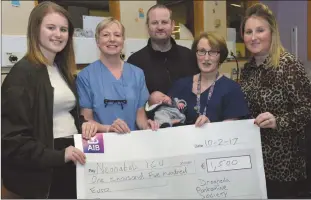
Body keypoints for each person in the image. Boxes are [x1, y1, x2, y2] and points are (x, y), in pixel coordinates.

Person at [1, 1, 97, 199]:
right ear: (36, 29)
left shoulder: (62, 70)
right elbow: (12, 141)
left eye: (63, 29)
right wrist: (59, 155)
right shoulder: (22, 74)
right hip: (44, 170)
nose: (58, 34)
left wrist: (84, 125)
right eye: (51, 27)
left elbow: (62, 113)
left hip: (70, 157)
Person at [239, 3, 311, 198]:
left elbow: (307, 109)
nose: (253, 37)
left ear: (272, 32)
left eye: (260, 30)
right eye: (248, 32)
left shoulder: (288, 65)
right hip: (256, 160)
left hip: (285, 165)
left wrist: (278, 121)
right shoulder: (248, 70)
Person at [76, 17, 158, 134]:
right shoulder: (86, 76)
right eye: (106, 35)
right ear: (97, 41)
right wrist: (109, 128)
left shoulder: (137, 73)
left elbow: (140, 115)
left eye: (117, 35)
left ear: (123, 41)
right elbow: (87, 120)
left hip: (133, 141)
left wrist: (147, 126)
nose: (112, 39)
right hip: (103, 143)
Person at [168, 32, 249, 127]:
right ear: (195, 54)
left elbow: (231, 131)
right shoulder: (180, 85)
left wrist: (210, 127)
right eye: (202, 51)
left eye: (213, 52)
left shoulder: (232, 89)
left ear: (221, 56)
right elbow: (164, 114)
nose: (206, 58)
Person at [127, 4, 199, 94]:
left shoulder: (189, 56)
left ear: (172, 25)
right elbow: (132, 98)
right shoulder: (134, 62)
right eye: (154, 23)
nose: (160, 27)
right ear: (147, 27)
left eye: (164, 22)